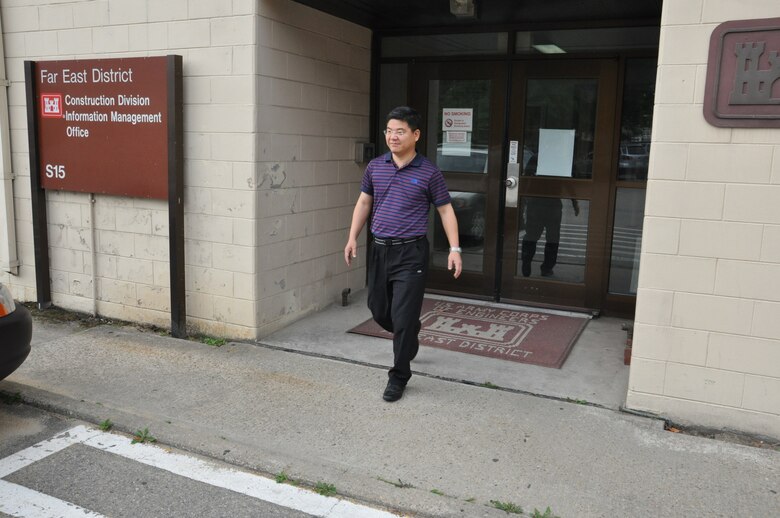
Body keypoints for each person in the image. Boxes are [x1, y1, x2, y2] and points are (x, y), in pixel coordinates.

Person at [344, 106, 462, 402]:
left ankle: (399, 376)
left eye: (400, 131)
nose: (392, 136)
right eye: (389, 131)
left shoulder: (428, 172)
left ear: (415, 135)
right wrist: (352, 238)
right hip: (380, 250)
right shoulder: (376, 167)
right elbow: (363, 203)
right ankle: (409, 329)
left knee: (403, 316)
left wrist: (454, 249)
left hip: (411, 253)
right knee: (379, 309)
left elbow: (445, 210)